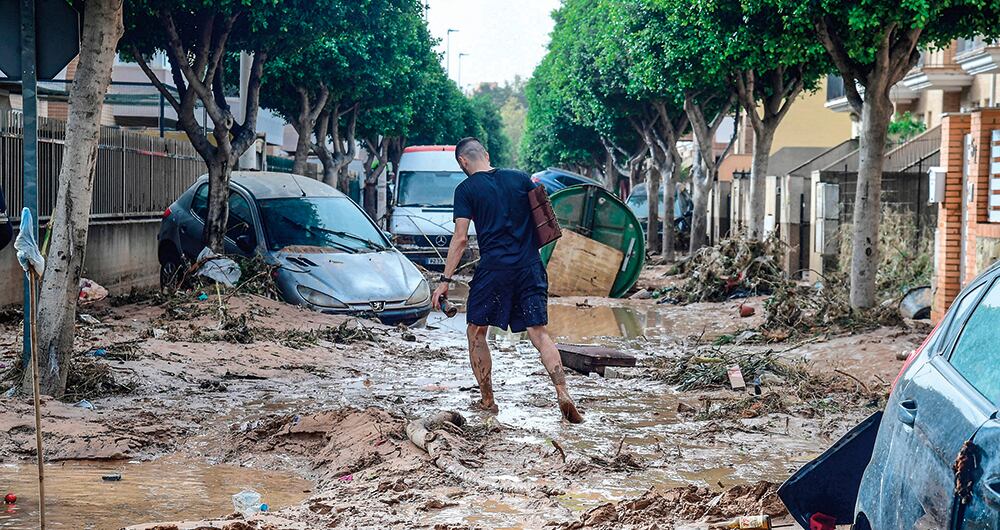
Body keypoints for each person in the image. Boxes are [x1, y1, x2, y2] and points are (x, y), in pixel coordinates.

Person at [431, 137, 584, 423]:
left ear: (463, 162)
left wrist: (444, 281)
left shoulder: (465, 190)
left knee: (477, 331)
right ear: (486, 155)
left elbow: (461, 239)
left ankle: (488, 400)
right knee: (539, 334)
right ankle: (562, 392)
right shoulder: (521, 178)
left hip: (494, 269)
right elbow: (545, 220)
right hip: (530, 265)